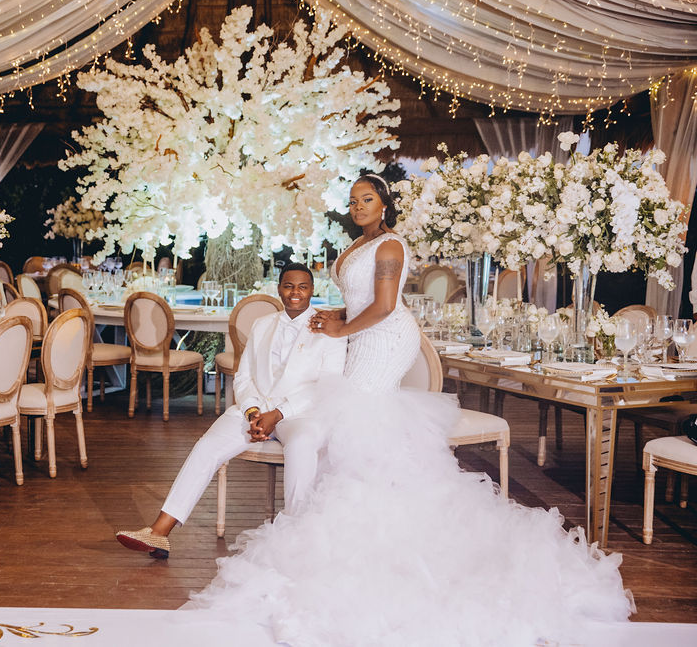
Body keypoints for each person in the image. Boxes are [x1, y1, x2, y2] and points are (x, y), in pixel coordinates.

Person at [185, 174, 633, 646]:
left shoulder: (391, 247)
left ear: (385, 204)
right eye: (354, 200)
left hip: (383, 341)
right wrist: (338, 317)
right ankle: (348, 536)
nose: (358, 206)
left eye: (368, 199)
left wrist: (340, 331)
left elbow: (382, 306)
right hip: (361, 333)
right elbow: (359, 301)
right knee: (348, 422)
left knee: (360, 418)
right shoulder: (360, 243)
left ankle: (385, 541)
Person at [115, 264, 346, 559]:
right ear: (278, 289)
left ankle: (298, 540)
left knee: (302, 445)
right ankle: (159, 532)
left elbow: (325, 385)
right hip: (255, 408)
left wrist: (278, 413)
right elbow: (243, 376)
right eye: (288, 286)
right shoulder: (263, 324)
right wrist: (252, 411)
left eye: (302, 287)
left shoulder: (331, 330)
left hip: (300, 414)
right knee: (206, 447)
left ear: (312, 290)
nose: (295, 293)